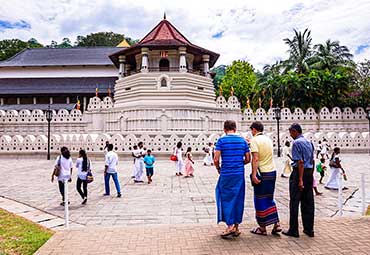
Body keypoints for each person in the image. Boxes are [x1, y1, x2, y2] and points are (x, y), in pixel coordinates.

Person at [214, 120, 251, 238]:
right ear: (235, 128)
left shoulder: (221, 141)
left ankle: (229, 226)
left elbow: (216, 159)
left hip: (226, 174)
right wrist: (239, 164)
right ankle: (236, 226)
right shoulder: (242, 141)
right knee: (238, 198)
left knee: (225, 198)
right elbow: (248, 158)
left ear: (225, 129)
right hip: (239, 174)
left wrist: (219, 168)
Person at [248, 121, 281, 236]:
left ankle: (262, 228)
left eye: (251, 130)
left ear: (254, 130)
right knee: (269, 198)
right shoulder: (268, 139)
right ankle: (276, 224)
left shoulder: (254, 140)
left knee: (260, 199)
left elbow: (255, 158)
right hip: (272, 172)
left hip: (262, 174)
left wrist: (253, 175)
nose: (251, 133)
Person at [283, 123, 315, 238]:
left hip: (299, 173)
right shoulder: (309, 142)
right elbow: (312, 161)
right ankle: (309, 229)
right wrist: (311, 175)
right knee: (308, 202)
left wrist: (300, 180)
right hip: (309, 173)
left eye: (291, 132)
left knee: (294, 202)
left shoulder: (296, 143)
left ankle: (293, 230)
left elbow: (300, 162)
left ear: (295, 131)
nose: (290, 135)